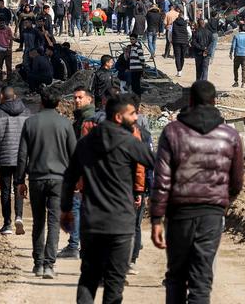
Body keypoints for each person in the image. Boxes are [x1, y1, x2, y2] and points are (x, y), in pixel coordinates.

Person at [151, 80, 243, 304]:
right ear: (215, 102)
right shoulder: (230, 135)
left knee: (176, 277)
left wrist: (156, 217)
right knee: (201, 281)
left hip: (179, 213)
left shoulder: (173, 132)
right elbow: (237, 181)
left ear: (190, 101)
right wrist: (223, 201)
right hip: (211, 213)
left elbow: (162, 178)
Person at [61, 94, 154, 303]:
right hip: (120, 223)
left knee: (89, 278)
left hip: (92, 220)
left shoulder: (86, 142)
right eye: (132, 114)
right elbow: (152, 162)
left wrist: (66, 209)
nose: (136, 117)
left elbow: (69, 178)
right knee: (114, 282)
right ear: (119, 117)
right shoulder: (130, 141)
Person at [16, 88, 77, 279]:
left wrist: (19, 181)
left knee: (38, 222)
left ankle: (38, 263)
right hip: (59, 180)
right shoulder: (65, 124)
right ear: (59, 103)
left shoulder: (30, 123)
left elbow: (22, 155)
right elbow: (74, 155)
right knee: (53, 222)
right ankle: (49, 264)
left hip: (36, 179)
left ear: (41, 102)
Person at [57, 87, 99, 260]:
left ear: (90, 99)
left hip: (84, 170)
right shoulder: (81, 118)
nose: (76, 100)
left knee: (77, 205)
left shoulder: (88, 120)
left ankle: (75, 245)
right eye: (75, 97)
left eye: (80, 98)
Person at [0, 87, 30, 235]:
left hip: (5, 157)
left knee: (5, 191)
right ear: (15, 96)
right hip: (22, 157)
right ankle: (19, 216)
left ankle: (7, 224)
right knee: (19, 187)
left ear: (1, 97)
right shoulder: (26, 112)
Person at [171, 11, 190, 77]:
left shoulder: (174, 23)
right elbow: (189, 33)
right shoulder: (186, 23)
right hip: (184, 41)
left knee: (177, 56)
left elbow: (170, 32)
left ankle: (179, 70)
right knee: (182, 56)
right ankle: (180, 68)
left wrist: (170, 39)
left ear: (178, 16)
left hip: (176, 41)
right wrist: (188, 39)